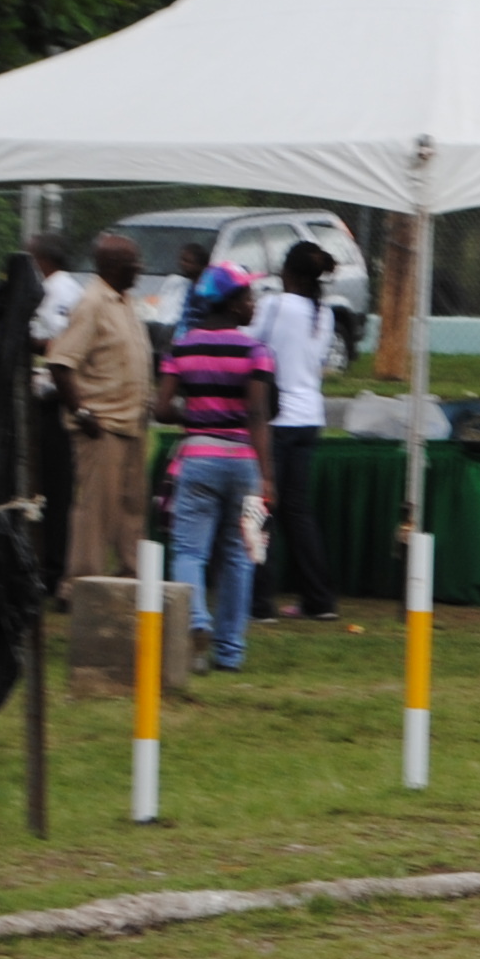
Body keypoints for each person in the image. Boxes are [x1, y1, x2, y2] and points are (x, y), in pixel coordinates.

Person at [157, 270, 276, 671]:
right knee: (239, 556)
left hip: (197, 459)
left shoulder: (181, 348)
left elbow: (161, 408)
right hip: (243, 463)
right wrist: (267, 476)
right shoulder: (256, 351)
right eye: (248, 297)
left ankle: (195, 619)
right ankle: (229, 652)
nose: (253, 304)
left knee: (189, 551)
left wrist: (193, 416)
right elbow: (257, 414)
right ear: (232, 303)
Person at [45, 230, 154, 585]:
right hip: (102, 424)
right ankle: (82, 584)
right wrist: (81, 412)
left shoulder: (125, 301)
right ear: (114, 266)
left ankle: (130, 578)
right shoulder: (92, 303)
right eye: (134, 263)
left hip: (132, 423)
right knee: (96, 510)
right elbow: (60, 363)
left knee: (132, 507)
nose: (140, 268)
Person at [260, 242, 345, 622]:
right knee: (298, 511)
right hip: (309, 417)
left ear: (289, 273)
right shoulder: (323, 313)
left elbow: (251, 343)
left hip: (276, 419)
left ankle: (260, 603)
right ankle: (319, 600)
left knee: (263, 507)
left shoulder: (274, 305)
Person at [23, 231, 83, 586]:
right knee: (46, 485)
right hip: (46, 397)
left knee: (54, 488)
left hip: (54, 399)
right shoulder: (58, 288)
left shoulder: (58, 291)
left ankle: (54, 566)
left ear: (42, 260)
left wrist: (24, 339)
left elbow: (60, 344)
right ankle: (46, 560)